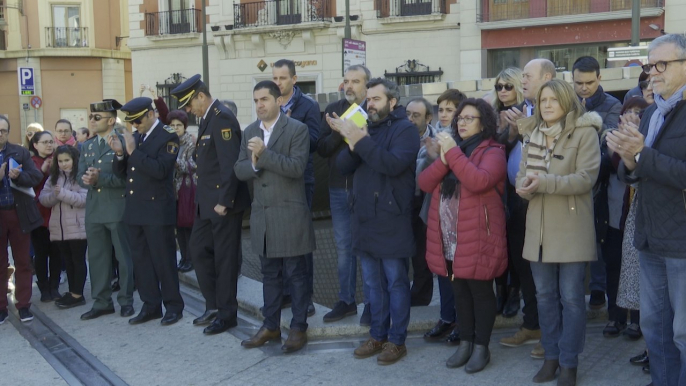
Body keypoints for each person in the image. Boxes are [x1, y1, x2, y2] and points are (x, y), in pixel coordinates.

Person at [609, 33, 686, 386]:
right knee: (654, 327)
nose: (652, 72)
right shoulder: (654, 110)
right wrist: (628, 159)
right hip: (651, 236)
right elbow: (640, 171)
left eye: (661, 64)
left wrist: (642, 154)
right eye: (649, 64)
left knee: (684, 332)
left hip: (682, 241)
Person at [516, 78, 601, 386]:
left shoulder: (584, 132)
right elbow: (522, 175)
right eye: (542, 100)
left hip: (570, 229)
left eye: (553, 99)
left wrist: (544, 183)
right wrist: (522, 186)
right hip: (537, 229)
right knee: (545, 297)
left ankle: (569, 363)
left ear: (567, 101)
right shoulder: (532, 133)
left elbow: (586, 178)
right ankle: (551, 358)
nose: (547, 105)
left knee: (572, 299)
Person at [332, 78, 420, 365]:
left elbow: (392, 164)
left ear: (392, 102)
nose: (369, 104)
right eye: (367, 100)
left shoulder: (405, 129)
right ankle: (377, 335)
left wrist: (361, 140)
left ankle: (397, 341)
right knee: (372, 284)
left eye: (376, 99)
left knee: (395, 282)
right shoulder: (365, 129)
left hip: (391, 218)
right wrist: (351, 141)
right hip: (364, 217)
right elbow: (343, 167)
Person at [419, 98, 507, 374]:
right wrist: (445, 158)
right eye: (461, 118)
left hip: (479, 233)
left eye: (470, 118)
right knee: (459, 291)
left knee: (480, 291)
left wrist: (452, 154)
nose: (462, 122)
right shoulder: (452, 151)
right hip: (449, 233)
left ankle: (482, 346)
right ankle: (465, 343)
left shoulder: (493, 150)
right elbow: (425, 183)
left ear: (484, 123)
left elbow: (478, 181)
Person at [236, 80, 315, 353]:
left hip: (290, 215)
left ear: (278, 101)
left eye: (264, 100)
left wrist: (263, 155)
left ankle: (298, 328)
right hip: (263, 218)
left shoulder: (297, 129)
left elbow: (296, 168)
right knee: (269, 276)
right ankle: (270, 325)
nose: (259, 105)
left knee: (296, 275)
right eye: (256, 100)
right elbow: (238, 169)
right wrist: (255, 163)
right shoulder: (248, 131)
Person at [173, 75, 250, 334]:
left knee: (225, 260)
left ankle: (227, 314)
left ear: (201, 97)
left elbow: (230, 164)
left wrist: (224, 201)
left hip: (221, 203)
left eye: (189, 105)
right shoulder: (208, 119)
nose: (188, 111)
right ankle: (214, 304)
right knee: (197, 250)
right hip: (205, 204)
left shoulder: (222, 117)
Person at [498, 58, 556, 358]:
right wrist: (513, 131)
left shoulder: (557, 110)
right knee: (524, 267)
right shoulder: (525, 111)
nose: (522, 81)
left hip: (546, 200)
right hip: (518, 200)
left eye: (527, 76)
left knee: (547, 273)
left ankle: (553, 336)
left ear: (547, 77)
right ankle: (532, 325)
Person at [110, 97, 184, 326]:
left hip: (157, 209)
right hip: (136, 209)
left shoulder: (168, 134)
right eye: (132, 122)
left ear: (151, 114)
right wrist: (121, 154)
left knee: (163, 260)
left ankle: (173, 306)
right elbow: (125, 174)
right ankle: (150, 305)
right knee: (141, 261)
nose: (135, 126)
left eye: (138, 121)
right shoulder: (138, 135)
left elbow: (161, 170)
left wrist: (132, 152)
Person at [317, 65, 372, 324]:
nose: (349, 86)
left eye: (356, 81)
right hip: (338, 188)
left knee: (370, 248)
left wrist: (354, 127)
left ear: (366, 85)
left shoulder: (374, 108)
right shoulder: (332, 110)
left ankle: (372, 303)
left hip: (367, 189)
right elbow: (323, 148)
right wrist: (341, 131)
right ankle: (346, 301)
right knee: (343, 249)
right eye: (346, 81)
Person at [571, 56, 622, 310]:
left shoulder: (613, 104)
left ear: (599, 79)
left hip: (600, 180)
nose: (583, 87)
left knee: (600, 236)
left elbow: (607, 140)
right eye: (578, 82)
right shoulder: (566, 103)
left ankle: (598, 289)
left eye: (589, 82)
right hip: (571, 178)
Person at [596, 97, 650, 338]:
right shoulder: (610, 141)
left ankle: (637, 321)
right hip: (614, 217)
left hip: (639, 220)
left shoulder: (648, 142)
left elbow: (636, 169)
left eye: (639, 113)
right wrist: (615, 146)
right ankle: (615, 317)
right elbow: (609, 167)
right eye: (629, 113)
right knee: (613, 267)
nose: (633, 117)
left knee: (639, 271)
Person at [78, 99, 135, 321]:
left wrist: (100, 179)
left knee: (123, 256)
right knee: (96, 257)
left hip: (117, 207)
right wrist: (86, 180)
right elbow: (79, 176)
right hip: (94, 209)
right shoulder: (87, 146)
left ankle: (126, 300)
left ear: (111, 121)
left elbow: (127, 177)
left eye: (97, 117)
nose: (91, 120)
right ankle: (101, 302)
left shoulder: (123, 143)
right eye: (91, 117)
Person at [272, 59, 320, 317]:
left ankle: (306, 297)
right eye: (275, 78)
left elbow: (314, 142)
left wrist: (289, 128)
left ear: (294, 78)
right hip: (276, 181)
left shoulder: (308, 106)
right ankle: (286, 294)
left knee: (300, 240)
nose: (278, 83)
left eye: (282, 78)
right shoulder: (269, 105)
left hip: (301, 181)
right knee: (280, 238)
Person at [410, 96, 459, 344]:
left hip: (460, 213)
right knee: (441, 268)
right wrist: (431, 156)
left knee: (458, 270)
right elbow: (421, 179)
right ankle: (446, 317)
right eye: (441, 109)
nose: (444, 114)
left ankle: (461, 320)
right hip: (434, 210)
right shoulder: (432, 139)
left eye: (450, 109)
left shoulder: (463, 138)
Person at [0, 115, 44, 324]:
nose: (0, 134)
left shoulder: (20, 152)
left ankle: (24, 305)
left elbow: (35, 177)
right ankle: (1, 307)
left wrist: (19, 176)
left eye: (3, 130)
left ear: (8, 132)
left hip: (18, 214)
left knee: (23, 262)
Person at [491, 67, 524, 318]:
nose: (503, 91)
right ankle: (500, 291)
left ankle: (515, 291)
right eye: (499, 87)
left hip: (517, 188)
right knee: (496, 243)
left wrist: (512, 131)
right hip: (492, 186)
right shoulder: (490, 113)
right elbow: (491, 151)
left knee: (515, 242)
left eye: (508, 86)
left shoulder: (527, 112)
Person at [39, 145, 88, 309]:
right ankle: (72, 291)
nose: (63, 164)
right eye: (60, 161)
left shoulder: (81, 176)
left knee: (77, 260)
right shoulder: (54, 177)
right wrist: (55, 195)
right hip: (59, 228)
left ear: (74, 159)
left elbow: (84, 199)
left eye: (67, 160)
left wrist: (62, 194)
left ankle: (78, 294)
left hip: (77, 226)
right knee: (67, 261)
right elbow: (43, 198)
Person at [405, 97, 436, 308]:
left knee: (422, 255)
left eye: (415, 115)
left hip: (425, 202)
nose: (410, 119)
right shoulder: (397, 136)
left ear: (428, 118)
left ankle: (420, 299)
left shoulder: (437, 140)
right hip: (400, 202)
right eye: (407, 114)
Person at [30, 131, 62, 302]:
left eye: (51, 141)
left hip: (57, 213)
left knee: (56, 253)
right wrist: (42, 171)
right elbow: (29, 184)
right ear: (35, 145)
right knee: (41, 254)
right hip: (39, 216)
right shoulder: (31, 162)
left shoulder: (58, 160)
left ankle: (54, 286)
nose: (49, 145)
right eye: (44, 142)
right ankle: (43, 288)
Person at [167, 110, 196, 273]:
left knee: (188, 226)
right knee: (179, 227)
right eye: (172, 125)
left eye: (179, 125)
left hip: (186, 190)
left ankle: (190, 259)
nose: (176, 128)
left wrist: (174, 158)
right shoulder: (168, 142)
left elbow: (190, 166)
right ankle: (184, 257)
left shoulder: (190, 143)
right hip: (171, 192)